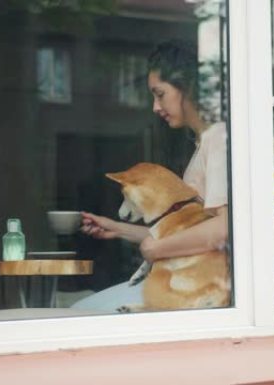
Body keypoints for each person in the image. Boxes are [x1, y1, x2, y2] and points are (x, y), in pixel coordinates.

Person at [71, 40, 228, 311]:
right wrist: (117, 228)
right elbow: (180, 234)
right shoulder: (203, 142)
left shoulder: (219, 138)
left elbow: (224, 229)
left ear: (186, 87)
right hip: (188, 281)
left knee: (83, 312)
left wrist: (156, 250)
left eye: (160, 94)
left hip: (202, 286)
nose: (155, 107)